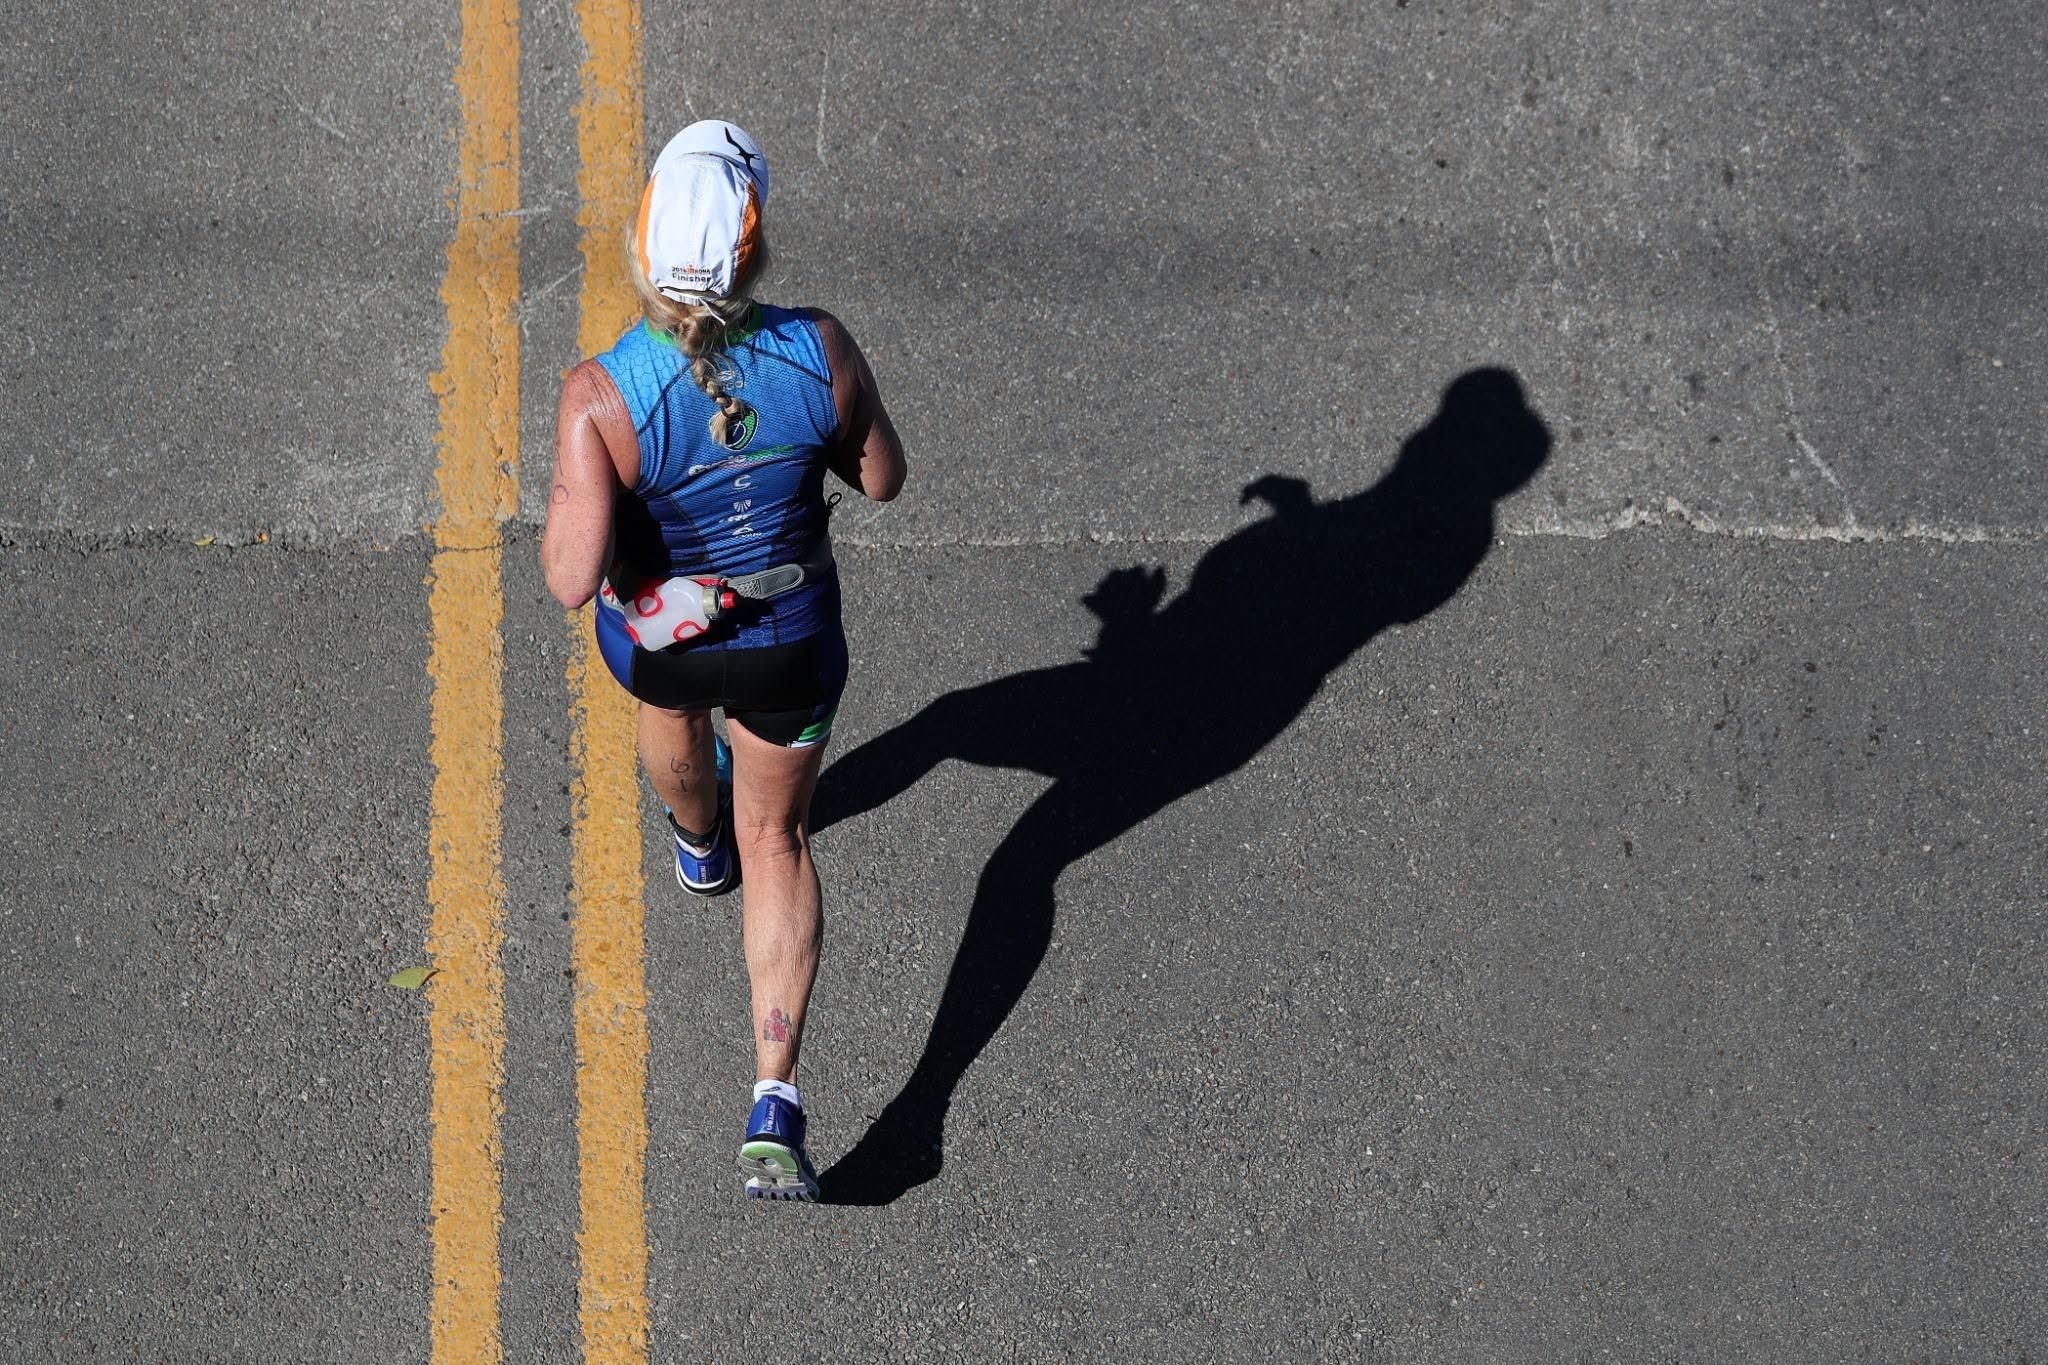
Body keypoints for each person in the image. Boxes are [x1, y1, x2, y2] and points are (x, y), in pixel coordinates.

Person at [540, 119, 906, 1201]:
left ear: (641, 249)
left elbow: (569, 576)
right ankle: (773, 1099)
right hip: (790, 643)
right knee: (781, 834)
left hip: (663, 643)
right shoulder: (822, 352)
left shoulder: (600, 396)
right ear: (753, 250)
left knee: (675, 718)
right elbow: (882, 479)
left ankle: (696, 846)